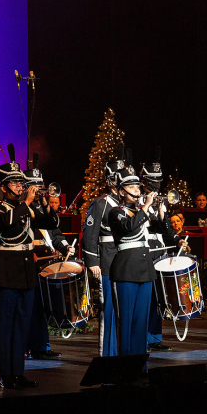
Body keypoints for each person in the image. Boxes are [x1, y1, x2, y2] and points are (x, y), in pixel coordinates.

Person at [0, 145, 58, 389]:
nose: (20, 186)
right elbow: (6, 224)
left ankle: (18, 372)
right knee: (6, 325)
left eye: (21, 182)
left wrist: (46, 203)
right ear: (3, 187)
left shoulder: (26, 208)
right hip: (6, 271)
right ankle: (5, 374)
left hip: (26, 271)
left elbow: (50, 222)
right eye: (15, 183)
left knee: (22, 325)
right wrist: (26, 203)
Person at [108, 153, 166, 356]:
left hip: (144, 269)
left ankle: (139, 364)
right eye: (131, 188)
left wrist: (160, 210)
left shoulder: (143, 211)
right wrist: (146, 207)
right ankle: (125, 365)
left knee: (141, 321)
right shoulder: (116, 212)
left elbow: (163, 230)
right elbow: (128, 227)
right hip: (126, 268)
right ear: (121, 191)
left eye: (137, 187)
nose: (137, 191)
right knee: (126, 321)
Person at [22, 160, 69, 360]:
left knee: (43, 307)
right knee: (30, 307)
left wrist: (65, 246)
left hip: (46, 265)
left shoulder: (44, 208)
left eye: (40, 187)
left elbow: (56, 233)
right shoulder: (21, 207)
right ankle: (27, 346)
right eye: (35, 187)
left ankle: (42, 345)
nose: (40, 191)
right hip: (29, 263)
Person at [81, 144, 125, 357]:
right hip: (107, 261)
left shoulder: (131, 203)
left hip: (127, 261)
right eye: (118, 178)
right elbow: (89, 235)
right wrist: (93, 263)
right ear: (110, 181)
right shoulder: (100, 204)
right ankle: (107, 355)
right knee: (108, 310)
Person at [139, 148, 184, 352]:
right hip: (145, 251)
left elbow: (166, 230)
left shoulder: (159, 200)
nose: (156, 186)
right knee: (145, 299)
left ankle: (155, 338)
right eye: (152, 182)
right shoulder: (138, 200)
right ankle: (141, 338)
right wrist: (149, 206)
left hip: (160, 253)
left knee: (158, 298)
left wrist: (177, 241)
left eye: (158, 182)